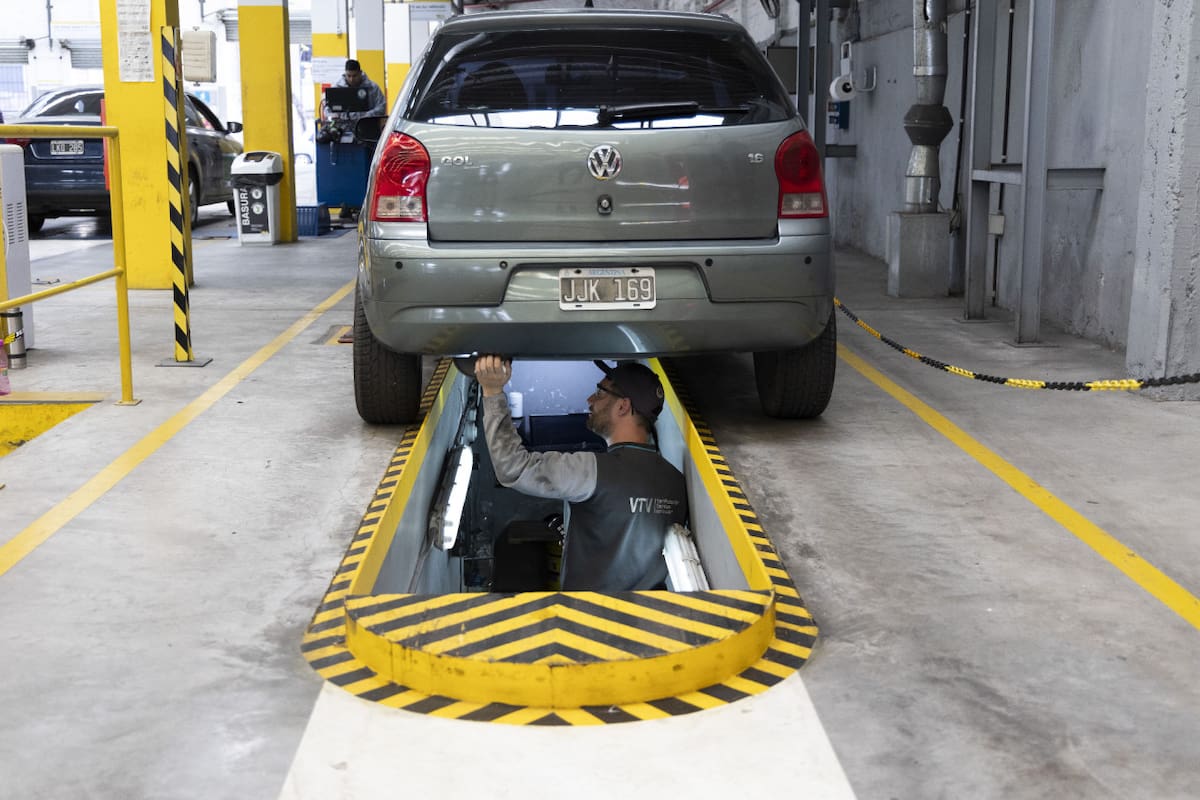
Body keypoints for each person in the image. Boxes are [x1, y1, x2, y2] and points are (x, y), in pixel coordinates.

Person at [475, 355, 688, 592]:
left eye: (600, 392)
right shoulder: (675, 481)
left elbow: (512, 467)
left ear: (623, 406)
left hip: (589, 619)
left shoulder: (595, 471)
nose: (590, 400)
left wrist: (492, 392)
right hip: (652, 619)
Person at [331, 59, 386, 123]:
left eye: (354, 76)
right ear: (345, 73)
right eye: (349, 76)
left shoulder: (372, 88)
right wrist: (334, 115)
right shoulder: (337, 88)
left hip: (367, 125)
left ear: (360, 73)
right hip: (343, 128)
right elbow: (327, 108)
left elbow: (381, 106)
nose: (351, 79)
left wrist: (366, 116)